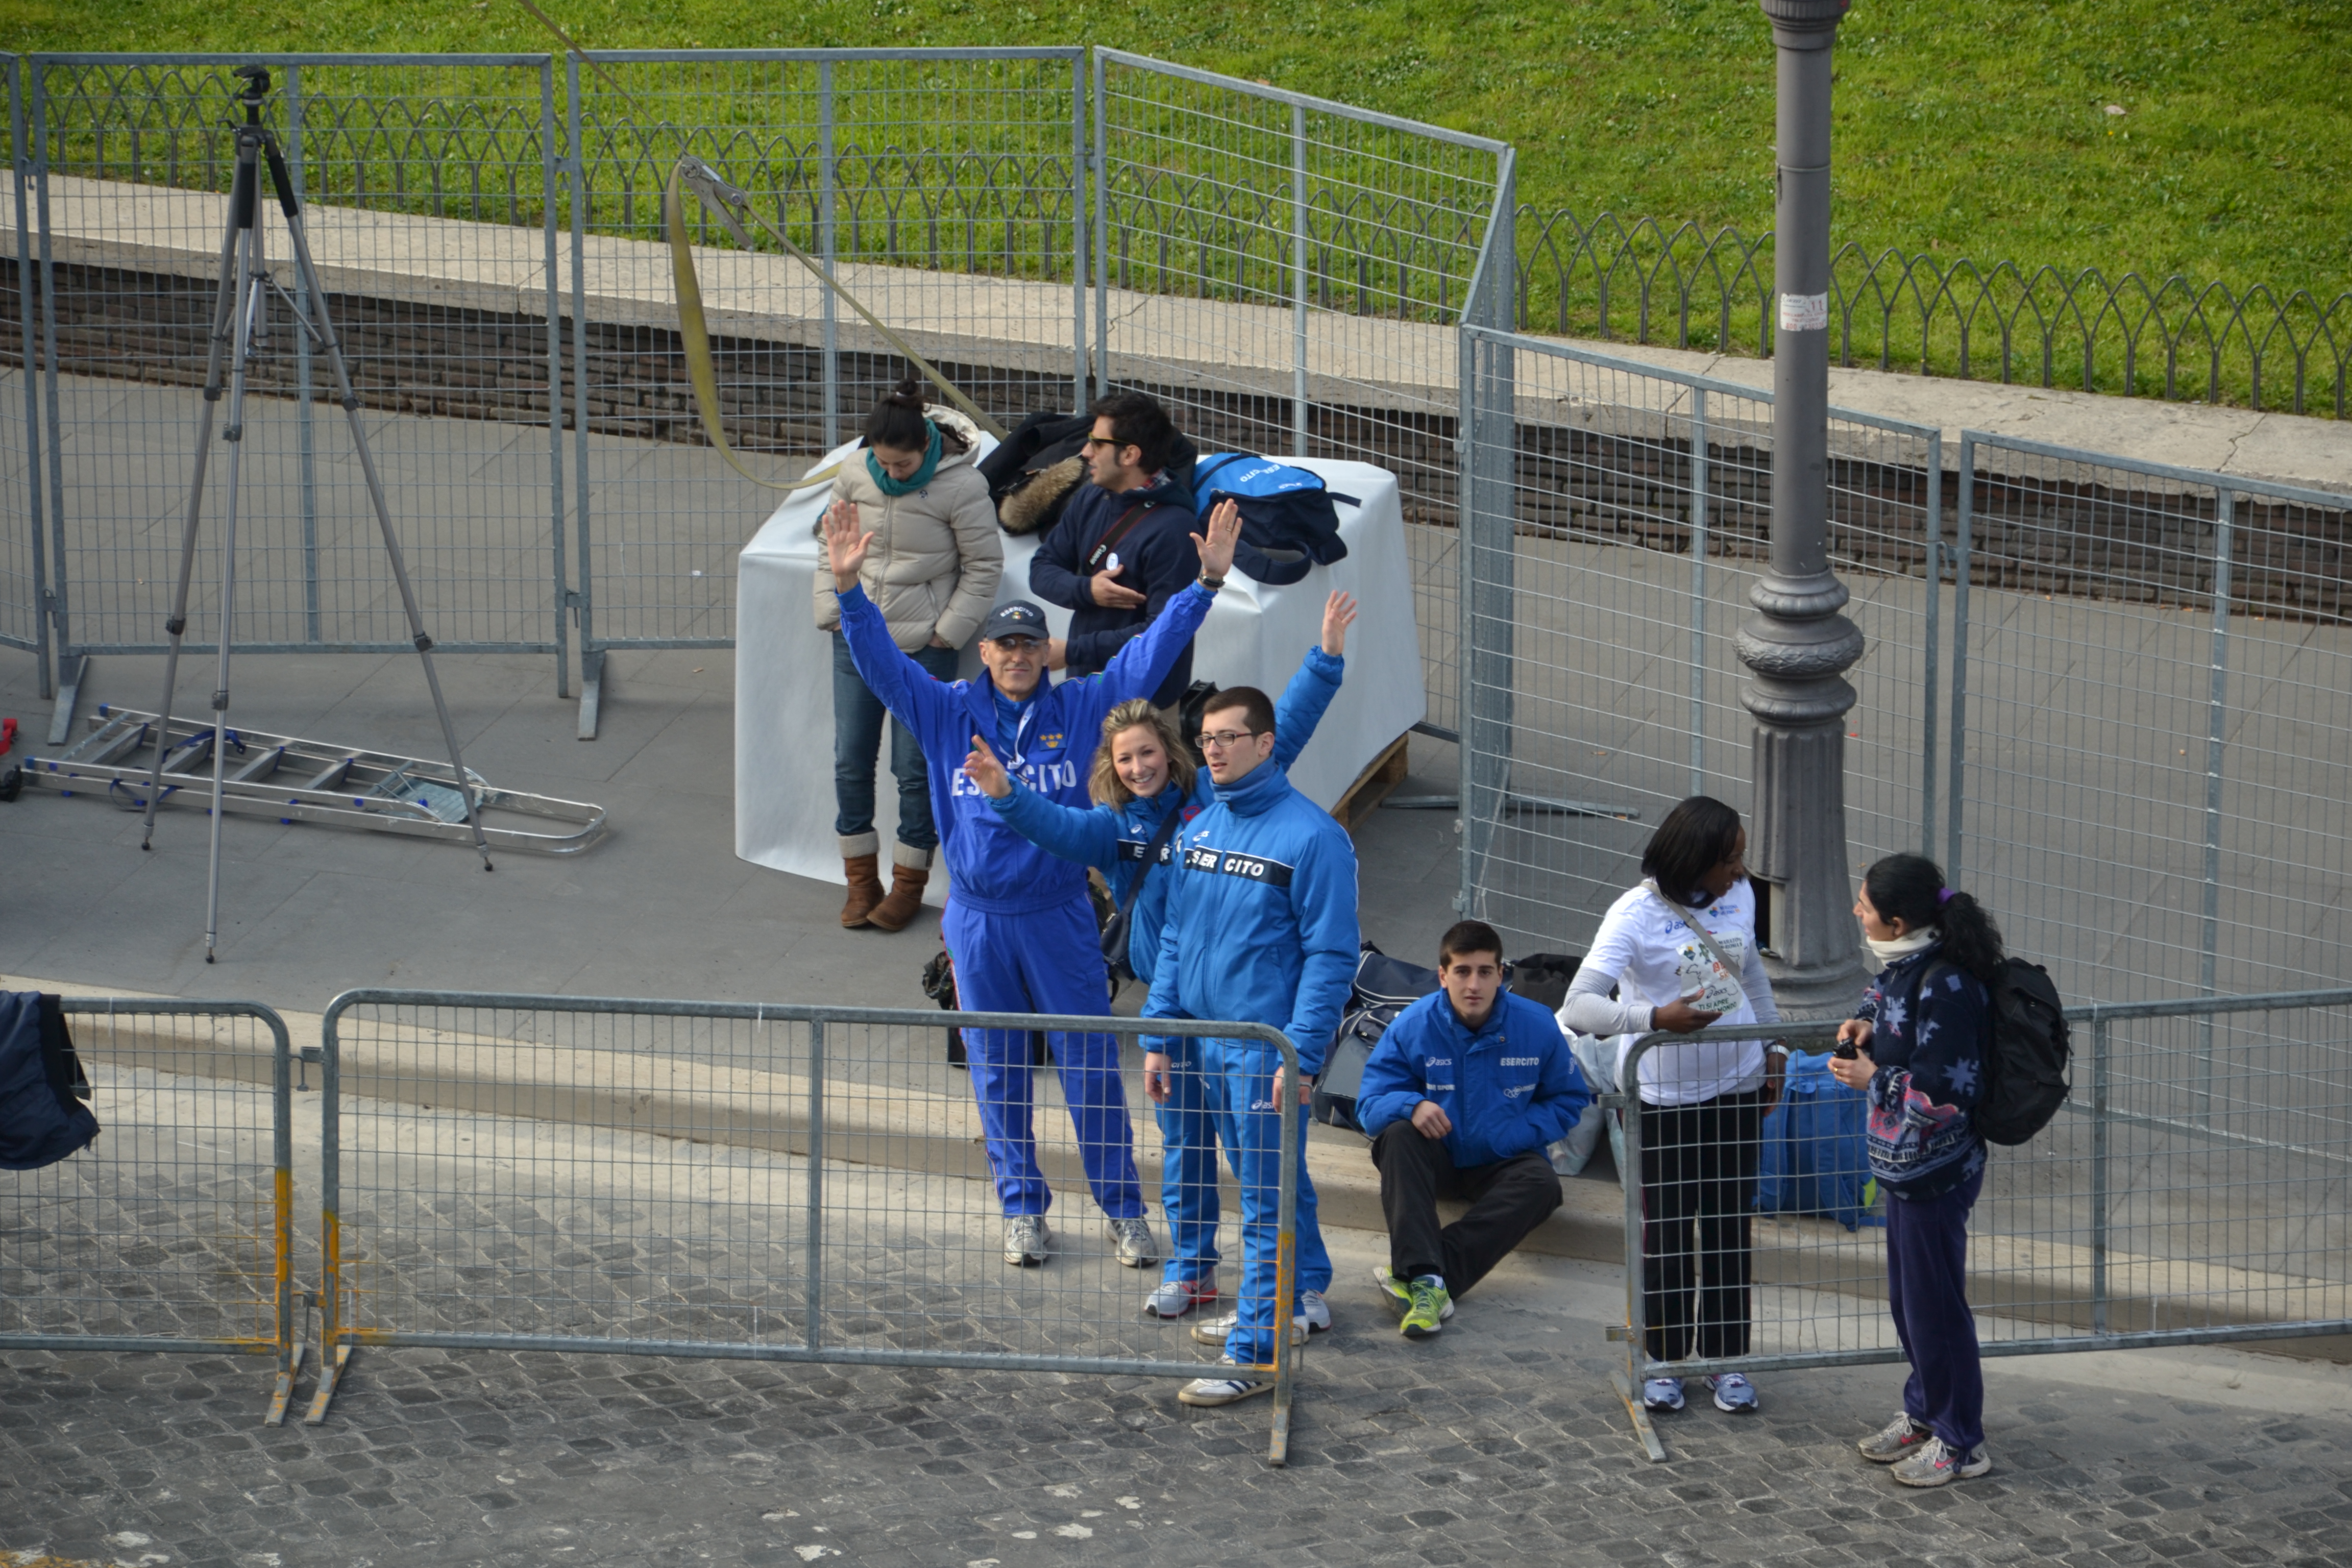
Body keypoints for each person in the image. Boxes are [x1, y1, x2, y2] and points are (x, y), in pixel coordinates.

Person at [825, 494, 1243, 1271]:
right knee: (997, 1068)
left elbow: (1148, 657)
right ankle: (1022, 1209)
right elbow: (882, 667)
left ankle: (1124, 1212)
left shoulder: (1084, 707)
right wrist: (850, 591)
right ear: (984, 653)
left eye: (1028, 644)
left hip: (1058, 915)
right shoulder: (947, 711)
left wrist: (1206, 587)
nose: (1017, 655)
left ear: (1045, 651)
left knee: (1089, 1066)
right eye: (1004, 644)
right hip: (978, 922)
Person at [963, 592, 1358, 1321]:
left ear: (1169, 755)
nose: (1140, 765)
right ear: (1111, 767)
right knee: (1185, 1159)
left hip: (1249, 1017)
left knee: (1266, 1166)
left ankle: (1301, 1283)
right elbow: (1054, 827)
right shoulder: (1111, 829)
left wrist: (1324, 660)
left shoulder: (1211, 804)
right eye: (1125, 757)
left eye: (1149, 752)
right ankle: (1194, 1271)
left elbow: (1281, 731)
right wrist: (1007, 795)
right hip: (1176, 1011)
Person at [1142, 685, 1358, 1408]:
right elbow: (1174, 938)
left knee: (1263, 1204)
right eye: (1207, 738)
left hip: (1262, 1053)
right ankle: (1300, 1298)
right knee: (1274, 1185)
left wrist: (1295, 1055)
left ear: (1267, 744)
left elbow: (1331, 956)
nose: (1214, 749)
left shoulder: (1314, 838)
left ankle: (1255, 1351)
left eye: (1230, 737)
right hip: (1203, 1043)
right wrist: (1159, 1035)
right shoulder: (1200, 831)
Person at [1557, 795, 1784, 1416]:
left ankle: (1725, 1359)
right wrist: (1656, 1018)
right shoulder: (1632, 915)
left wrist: (1774, 1046)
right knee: (1667, 1236)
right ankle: (1663, 1358)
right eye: (1731, 858)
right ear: (1696, 861)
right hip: (1664, 1099)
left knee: (1728, 1232)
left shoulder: (1741, 896)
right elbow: (1580, 1006)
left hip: (1737, 1087)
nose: (1741, 870)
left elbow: (1752, 974)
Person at [1829, 853, 2000, 1488]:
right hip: (1903, 1170)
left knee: (1936, 1308)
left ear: (1897, 922)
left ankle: (1962, 1440)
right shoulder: (1904, 967)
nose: (1856, 911)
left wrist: (1875, 1079)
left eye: (1866, 906)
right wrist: (1864, 1024)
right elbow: (1881, 1000)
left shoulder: (1947, 985)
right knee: (1910, 1302)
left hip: (1936, 1173)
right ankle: (1926, 1412)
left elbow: (1944, 1096)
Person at [814, 381, 1004, 932]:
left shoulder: (963, 486)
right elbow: (830, 549)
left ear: (927, 449)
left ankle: (908, 882)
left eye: (902, 465)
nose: (891, 473)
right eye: (882, 463)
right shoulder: (855, 473)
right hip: (857, 640)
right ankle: (860, 881)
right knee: (851, 759)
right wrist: (831, 610)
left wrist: (947, 633)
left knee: (913, 768)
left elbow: (983, 567)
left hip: (922, 646)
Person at [1355, 920, 1590, 1338]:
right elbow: (1369, 1105)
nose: (1474, 984)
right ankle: (1428, 1275)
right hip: (1438, 1155)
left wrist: (1515, 1132)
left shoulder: (1536, 1024)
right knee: (1397, 1137)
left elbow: (1570, 1100)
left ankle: (1425, 1278)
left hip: (1505, 1156)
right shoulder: (1413, 1024)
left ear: (1502, 975)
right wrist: (1411, 1105)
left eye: (1485, 971)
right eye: (1462, 972)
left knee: (1543, 1185)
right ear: (1443, 976)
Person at [1027, 391, 1202, 714]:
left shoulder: (1176, 530)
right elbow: (1041, 569)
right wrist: (1088, 590)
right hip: (1087, 696)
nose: (1086, 452)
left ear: (1130, 455)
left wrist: (1073, 652)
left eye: (1097, 443)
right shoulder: (1090, 497)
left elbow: (1164, 632)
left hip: (1143, 710)